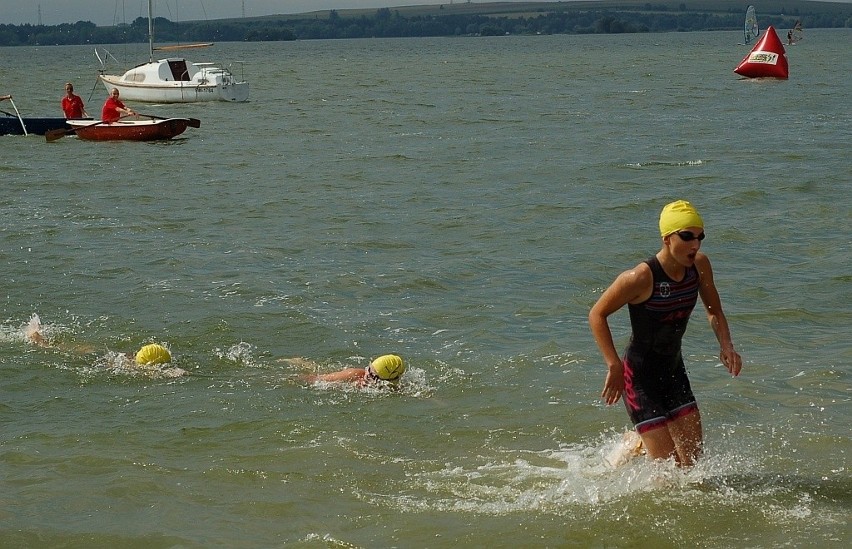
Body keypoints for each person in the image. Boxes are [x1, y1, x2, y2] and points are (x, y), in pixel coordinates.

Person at [588, 200, 742, 467]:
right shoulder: (639, 278)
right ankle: (638, 440)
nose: (695, 245)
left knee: (690, 467)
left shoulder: (700, 266)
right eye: (687, 237)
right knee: (669, 473)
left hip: (673, 372)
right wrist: (613, 364)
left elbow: (714, 310)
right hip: (639, 379)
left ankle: (637, 441)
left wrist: (726, 345)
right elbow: (597, 315)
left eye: (699, 237)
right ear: (667, 238)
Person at [299, 354, 406, 387]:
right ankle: (298, 361)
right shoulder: (354, 375)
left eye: (371, 375)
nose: (366, 374)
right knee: (321, 372)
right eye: (368, 368)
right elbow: (317, 380)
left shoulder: (393, 388)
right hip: (338, 377)